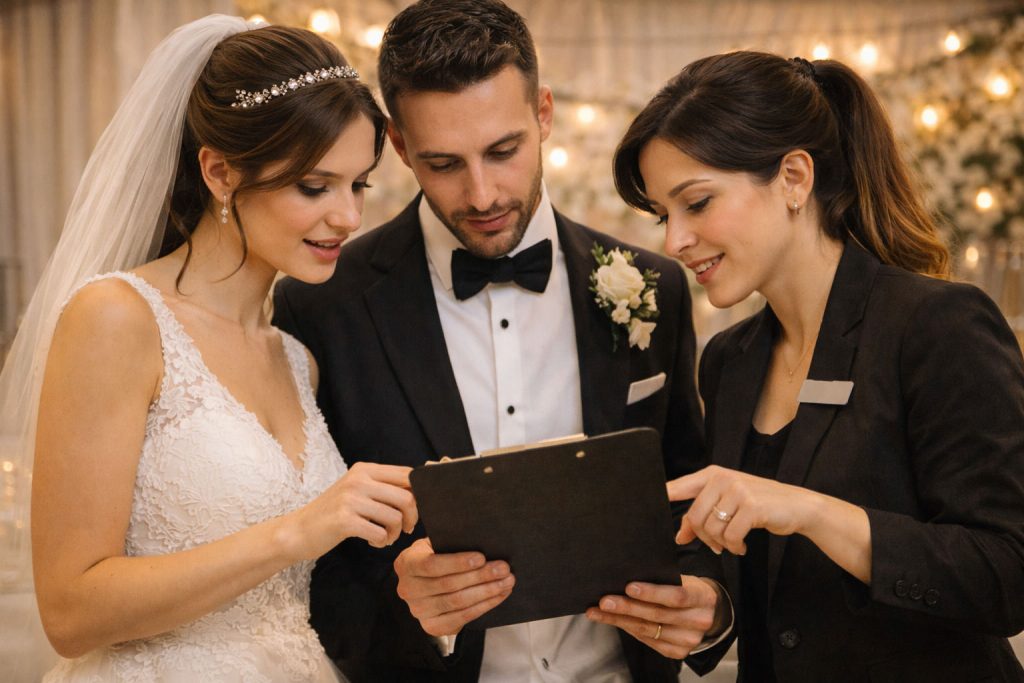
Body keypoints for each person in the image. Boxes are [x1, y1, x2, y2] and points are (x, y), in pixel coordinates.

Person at [271, 1, 730, 680]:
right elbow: (314, 564)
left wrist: (711, 606)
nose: (482, 193)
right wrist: (412, 608)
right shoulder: (322, 304)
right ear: (398, 146)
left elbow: (690, 491)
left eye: (504, 151)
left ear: (543, 113)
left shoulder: (654, 286)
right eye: (444, 163)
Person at [0, 14, 419, 682]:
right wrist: (297, 530)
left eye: (358, 183)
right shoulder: (117, 318)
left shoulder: (294, 356)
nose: (348, 216)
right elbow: (70, 609)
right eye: (315, 186)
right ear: (221, 172)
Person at [612, 50, 1024, 681]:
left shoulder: (937, 326)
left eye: (696, 203)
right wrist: (712, 608)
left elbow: (1006, 574)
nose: (673, 242)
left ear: (795, 178)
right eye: (664, 215)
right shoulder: (729, 361)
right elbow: (763, 588)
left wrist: (808, 510)